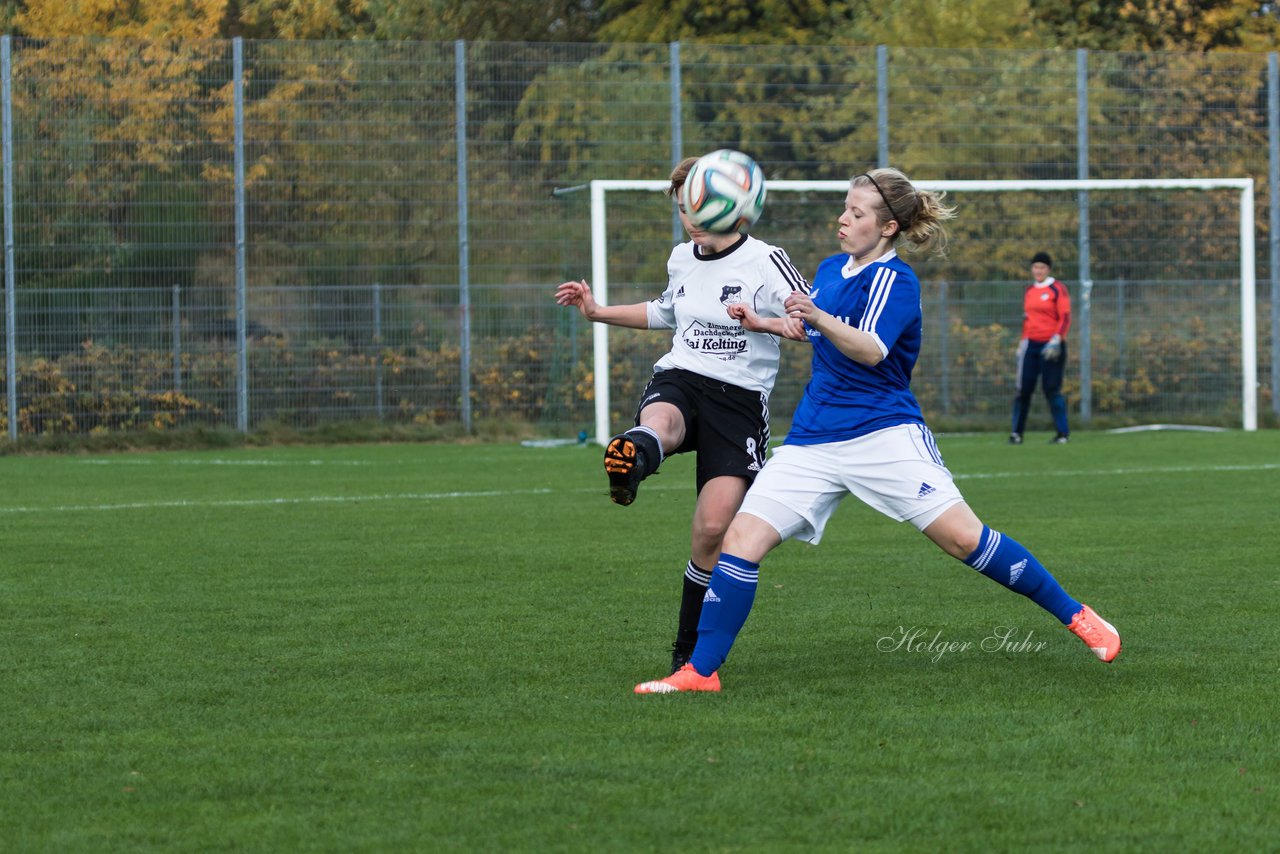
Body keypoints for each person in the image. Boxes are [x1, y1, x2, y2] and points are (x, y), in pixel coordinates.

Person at [634, 168, 1120, 694]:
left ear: (887, 229)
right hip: (813, 439)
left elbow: (869, 349)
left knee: (963, 539)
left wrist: (817, 316)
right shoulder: (829, 268)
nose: (843, 219)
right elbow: (811, 332)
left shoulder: (895, 281)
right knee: (740, 540)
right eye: (846, 208)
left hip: (882, 434)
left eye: (857, 213)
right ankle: (700, 672)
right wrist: (765, 322)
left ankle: (1077, 615)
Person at [555, 155, 808, 674]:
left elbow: (808, 321)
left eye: (695, 206)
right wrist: (598, 311)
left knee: (712, 531)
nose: (687, 217)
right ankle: (633, 460)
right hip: (683, 375)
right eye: (684, 206)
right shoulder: (681, 258)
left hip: (739, 401)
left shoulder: (767, 260)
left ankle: (688, 652)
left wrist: (761, 322)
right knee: (660, 423)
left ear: (736, 211)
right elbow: (665, 311)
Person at [1010, 251, 1071, 445]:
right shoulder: (1029, 291)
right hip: (1031, 346)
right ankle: (1016, 433)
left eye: (1042, 267)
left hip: (1051, 346)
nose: (1039, 270)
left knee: (1051, 389)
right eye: (1036, 267)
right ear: (1032, 268)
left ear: (1048, 269)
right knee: (1023, 390)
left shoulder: (1057, 288)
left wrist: (1057, 339)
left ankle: (1063, 434)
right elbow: (1028, 320)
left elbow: (1065, 316)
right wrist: (1022, 342)